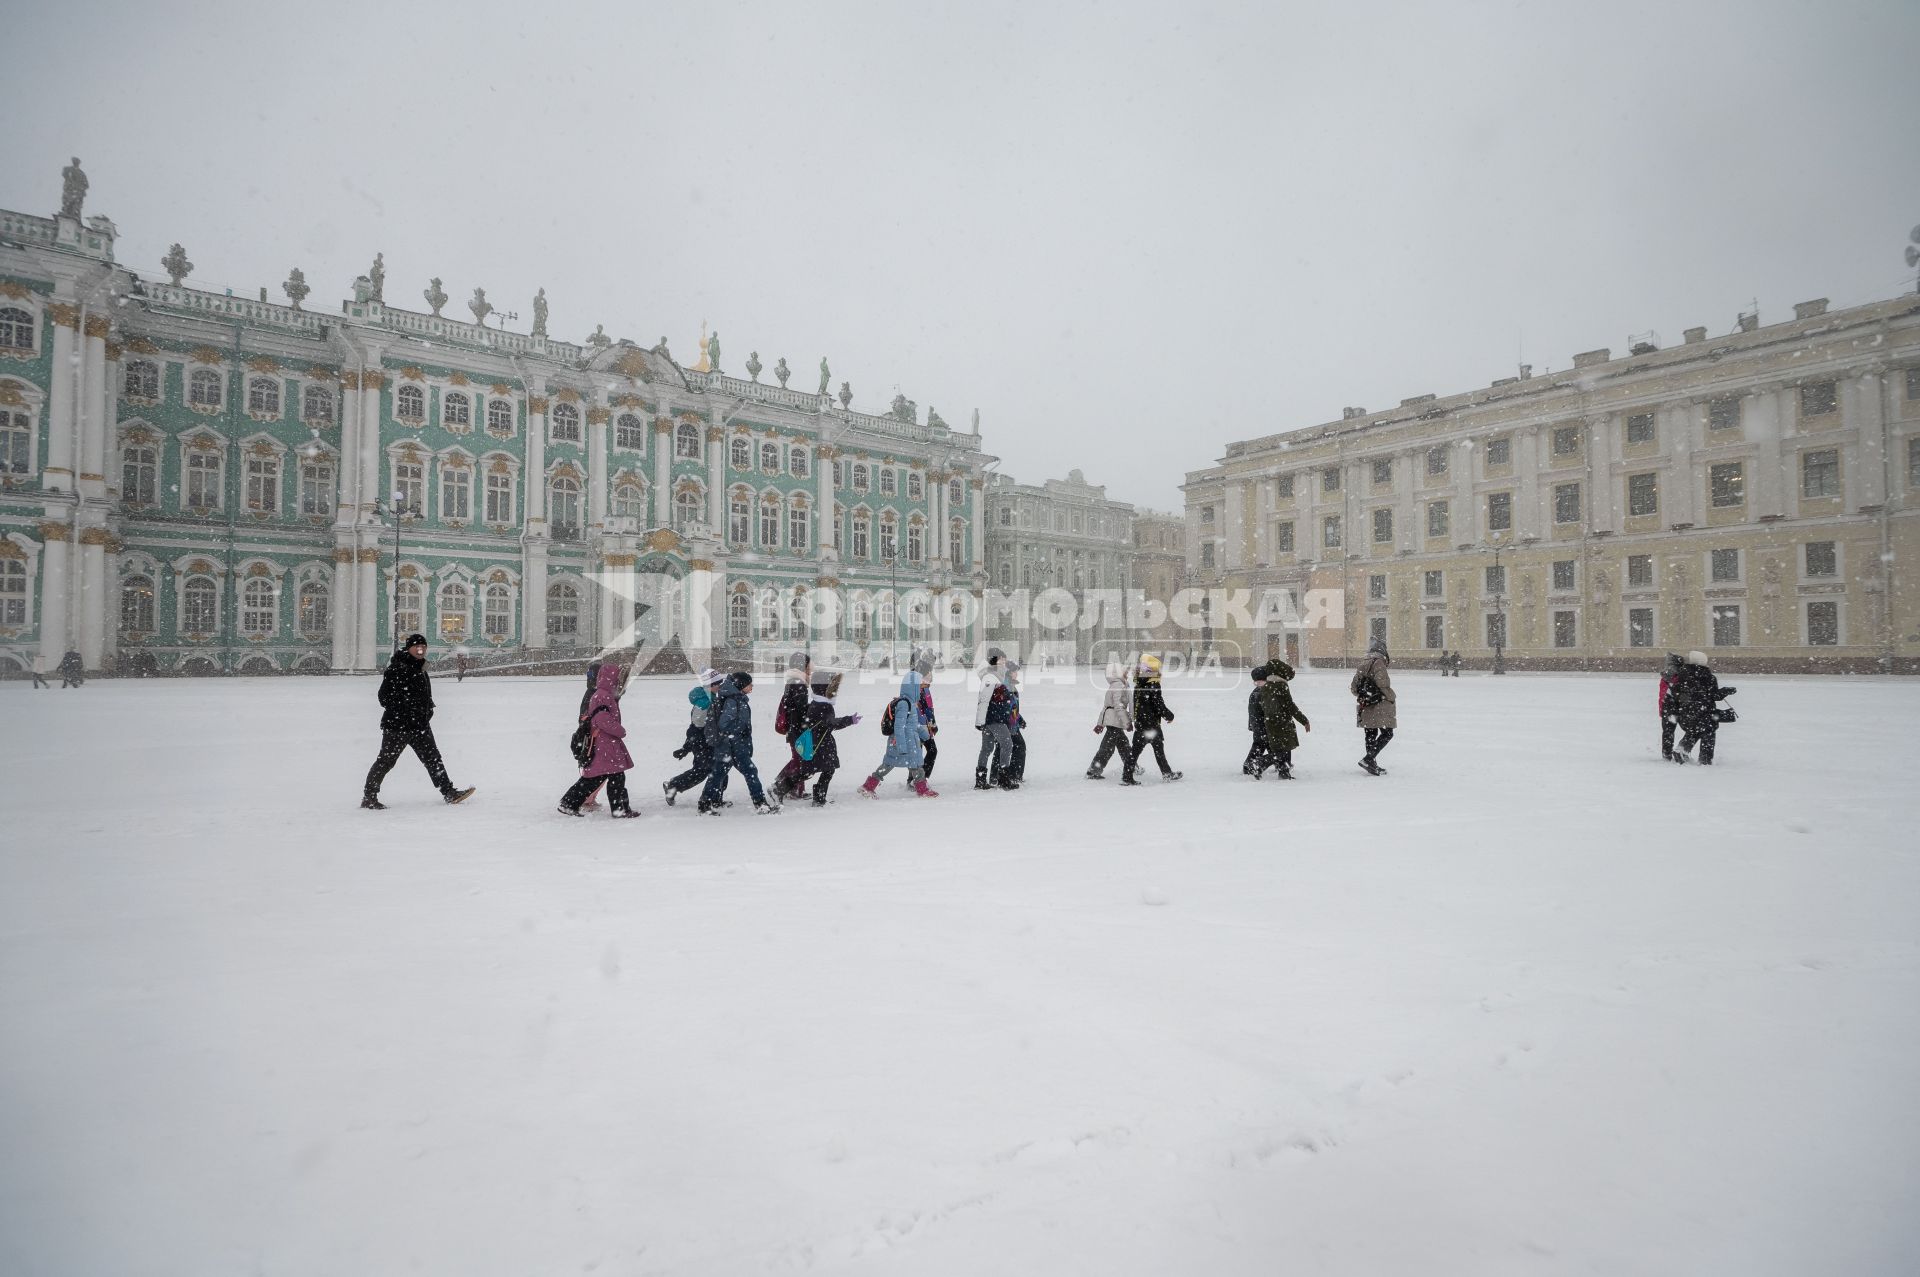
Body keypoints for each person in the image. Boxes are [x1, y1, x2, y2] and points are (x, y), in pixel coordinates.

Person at [362, 633, 475, 809]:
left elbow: (423, 694)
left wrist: (428, 708)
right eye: (417, 646)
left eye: (423, 646)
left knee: (433, 758)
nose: (421, 649)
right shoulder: (397, 668)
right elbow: (383, 697)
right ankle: (369, 797)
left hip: (419, 725)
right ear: (409, 648)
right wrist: (406, 709)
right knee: (386, 761)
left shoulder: (420, 667)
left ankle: (449, 792)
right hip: (398, 726)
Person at [559, 662, 638, 817]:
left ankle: (570, 803)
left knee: (601, 777)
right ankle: (619, 809)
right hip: (605, 743)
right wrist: (620, 730)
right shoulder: (603, 695)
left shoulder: (604, 694)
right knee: (612, 777)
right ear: (611, 678)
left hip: (606, 743)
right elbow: (601, 719)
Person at [700, 671, 777, 813]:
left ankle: (704, 804)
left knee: (718, 774)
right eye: (749, 684)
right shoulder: (732, 701)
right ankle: (760, 804)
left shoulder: (736, 698)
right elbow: (724, 724)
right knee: (749, 772)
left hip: (731, 745)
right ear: (741, 685)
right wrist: (741, 731)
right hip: (732, 745)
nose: (752, 686)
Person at [863, 656, 936, 798]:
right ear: (912, 686)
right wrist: (902, 746)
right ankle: (868, 786)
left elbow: (913, 725)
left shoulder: (912, 704)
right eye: (918, 685)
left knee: (915, 766)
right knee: (890, 765)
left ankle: (922, 790)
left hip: (910, 741)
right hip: (902, 743)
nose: (920, 687)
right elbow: (899, 727)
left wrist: (925, 733)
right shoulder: (904, 703)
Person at [791, 668, 862, 804]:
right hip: (820, 744)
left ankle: (817, 797)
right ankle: (815, 797)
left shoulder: (818, 703)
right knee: (822, 771)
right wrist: (849, 720)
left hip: (817, 742)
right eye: (833, 686)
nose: (836, 690)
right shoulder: (824, 706)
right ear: (825, 688)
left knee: (812, 771)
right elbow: (831, 723)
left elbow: (826, 723)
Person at [663, 668, 725, 805]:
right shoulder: (704, 702)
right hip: (703, 742)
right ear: (710, 685)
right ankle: (673, 785)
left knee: (720, 768)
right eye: (718, 684)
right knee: (703, 770)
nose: (720, 686)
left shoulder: (712, 698)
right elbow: (697, 726)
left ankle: (716, 798)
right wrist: (688, 746)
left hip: (710, 740)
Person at [1666, 650, 1735, 765]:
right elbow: (1714, 696)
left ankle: (1682, 748)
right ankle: (1705, 760)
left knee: (1695, 730)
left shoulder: (1682, 676)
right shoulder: (1709, 678)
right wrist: (1725, 691)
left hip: (1686, 714)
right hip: (1705, 713)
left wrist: (1685, 705)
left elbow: (1676, 693)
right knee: (1708, 731)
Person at [1127, 654, 1181, 782]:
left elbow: (1137, 704)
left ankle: (1126, 776)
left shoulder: (1139, 683)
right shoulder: (1153, 684)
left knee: (1134, 753)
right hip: (1151, 725)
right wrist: (1169, 715)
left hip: (1141, 724)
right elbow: (1158, 705)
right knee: (1158, 751)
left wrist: (1137, 719)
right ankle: (1166, 773)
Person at [1256, 659, 1312, 778]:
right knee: (1284, 749)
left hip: (1271, 721)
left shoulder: (1266, 686)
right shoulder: (1280, 685)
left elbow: (1264, 705)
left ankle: (1283, 771)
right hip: (1282, 721)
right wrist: (1304, 720)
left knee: (1281, 747)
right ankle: (1261, 762)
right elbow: (1290, 705)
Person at [770, 652, 814, 803]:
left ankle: (795, 789)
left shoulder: (793, 682)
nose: (811, 668)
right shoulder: (798, 684)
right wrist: (813, 712)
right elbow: (801, 711)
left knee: (799, 759)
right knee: (800, 761)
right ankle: (780, 786)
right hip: (798, 729)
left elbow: (793, 708)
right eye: (809, 665)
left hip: (794, 728)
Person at [1351, 636, 1397, 776]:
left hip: (1366, 704)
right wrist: (1391, 697)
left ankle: (1371, 762)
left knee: (1370, 733)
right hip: (1379, 704)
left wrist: (1366, 694)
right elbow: (1383, 684)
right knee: (1387, 733)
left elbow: (1354, 688)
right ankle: (1369, 759)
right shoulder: (1379, 663)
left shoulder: (1363, 663)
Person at [973, 649, 1017, 790]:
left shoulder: (997, 676)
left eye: (1004, 658)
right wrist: (980, 721)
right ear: (993, 660)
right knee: (1007, 744)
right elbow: (983, 700)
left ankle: (980, 780)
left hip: (995, 718)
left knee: (987, 748)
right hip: (993, 719)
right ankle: (1003, 778)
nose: (1004, 661)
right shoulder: (990, 677)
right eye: (1001, 659)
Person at [1086, 661, 1136, 782]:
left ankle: (1133, 767)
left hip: (1114, 721)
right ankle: (1093, 771)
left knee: (1124, 746)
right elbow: (1118, 707)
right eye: (1126, 672)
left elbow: (1106, 707)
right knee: (1107, 748)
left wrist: (1100, 724)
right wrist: (1127, 723)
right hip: (1115, 722)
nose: (1128, 674)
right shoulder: (1119, 685)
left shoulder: (1116, 685)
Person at [1243, 663, 1274, 777]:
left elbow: (1253, 712)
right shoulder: (1262, 692)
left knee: (1264, 744)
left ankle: (1282, 764)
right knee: (1261, 745)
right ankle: (1249, 765)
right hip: (1262, 725)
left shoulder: (1256, 691)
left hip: (1257, 724)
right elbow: (1264, 711)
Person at [1002, 660, 1029, 785]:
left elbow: (1013, 707)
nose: (1016, 674)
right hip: (1009, 724)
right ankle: (1013, 775)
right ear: (1009, 673)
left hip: (1013, 723)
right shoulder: (1007, 686)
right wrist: (1014, 721)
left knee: (1015, 748)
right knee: (1019, 747)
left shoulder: (1011, 685)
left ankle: (1014, 774)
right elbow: (1008, 708)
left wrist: (1019, 719)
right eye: (1014, 672)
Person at [1658, 652, 1683, 760]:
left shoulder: (1665, 676)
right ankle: (1683, 748)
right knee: (1692, 731)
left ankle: (1666, 753)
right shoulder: (1683, 675)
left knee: (1668, 732)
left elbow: (1662, 695)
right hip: (1680, 706)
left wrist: (1661, 710)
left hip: (1667, 707)